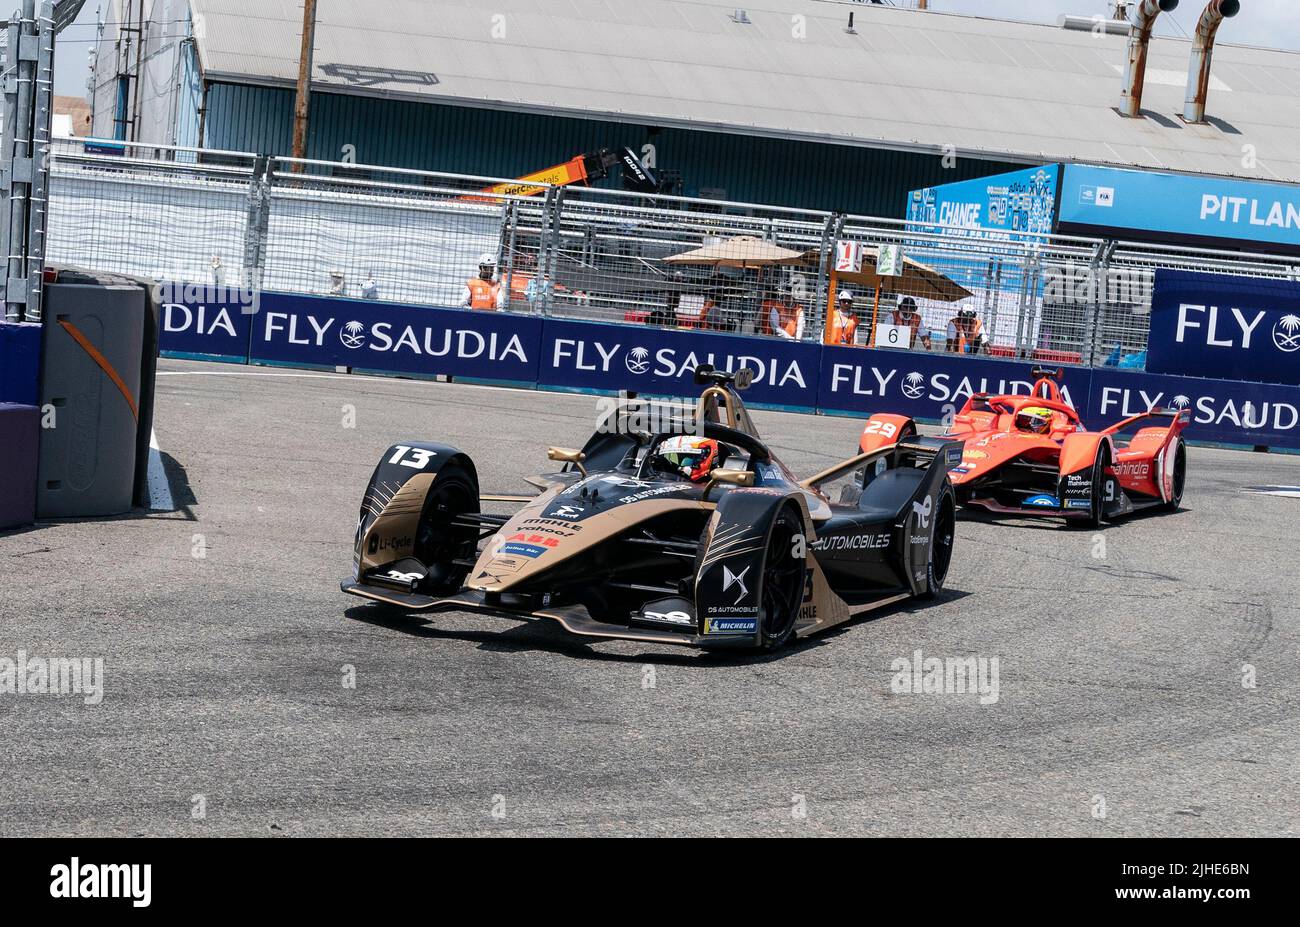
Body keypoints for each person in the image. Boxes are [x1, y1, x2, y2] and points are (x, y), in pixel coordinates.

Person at [650, 436, 725, 483]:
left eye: (689, 458)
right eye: (680, 458)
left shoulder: (719, 488)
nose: (680, 467)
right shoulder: (660, 479)